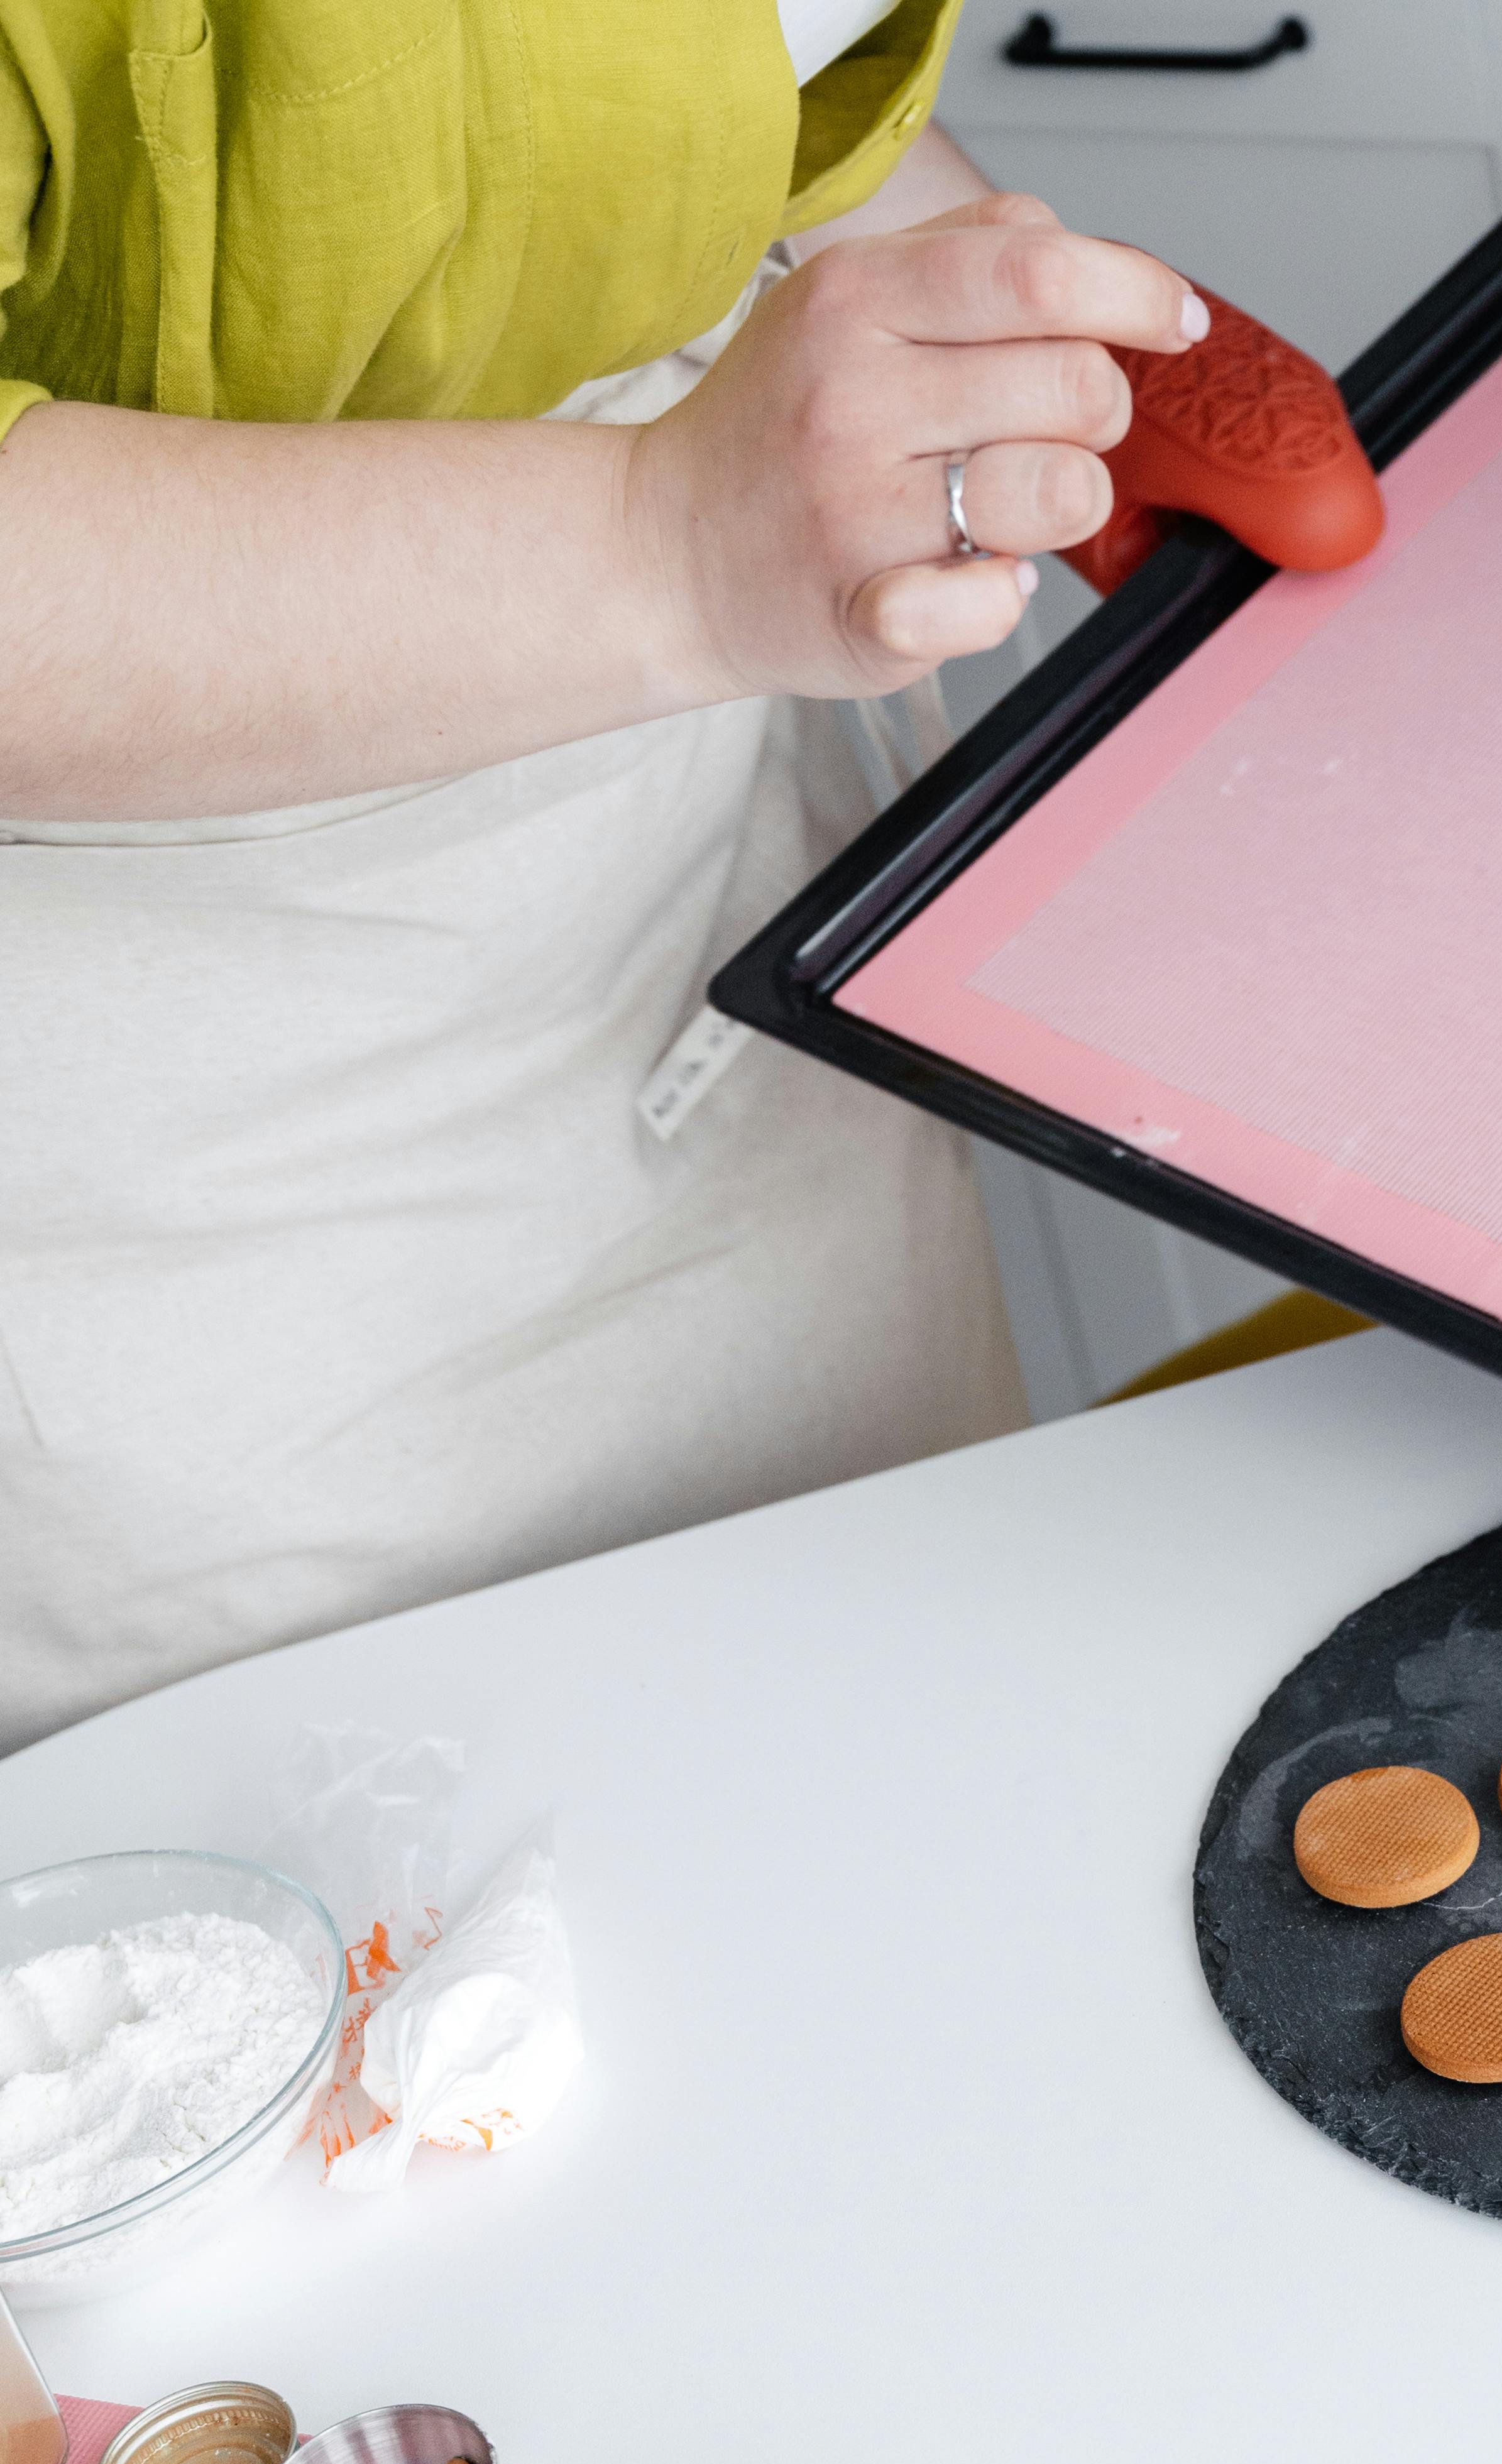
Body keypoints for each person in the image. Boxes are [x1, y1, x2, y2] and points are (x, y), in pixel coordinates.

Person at [0, 0, 1203, 1756]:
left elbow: (726, 107)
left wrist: (1056, 366)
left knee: (910, 1739)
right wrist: (670, 541)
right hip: (181, 1111)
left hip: (707, 910)